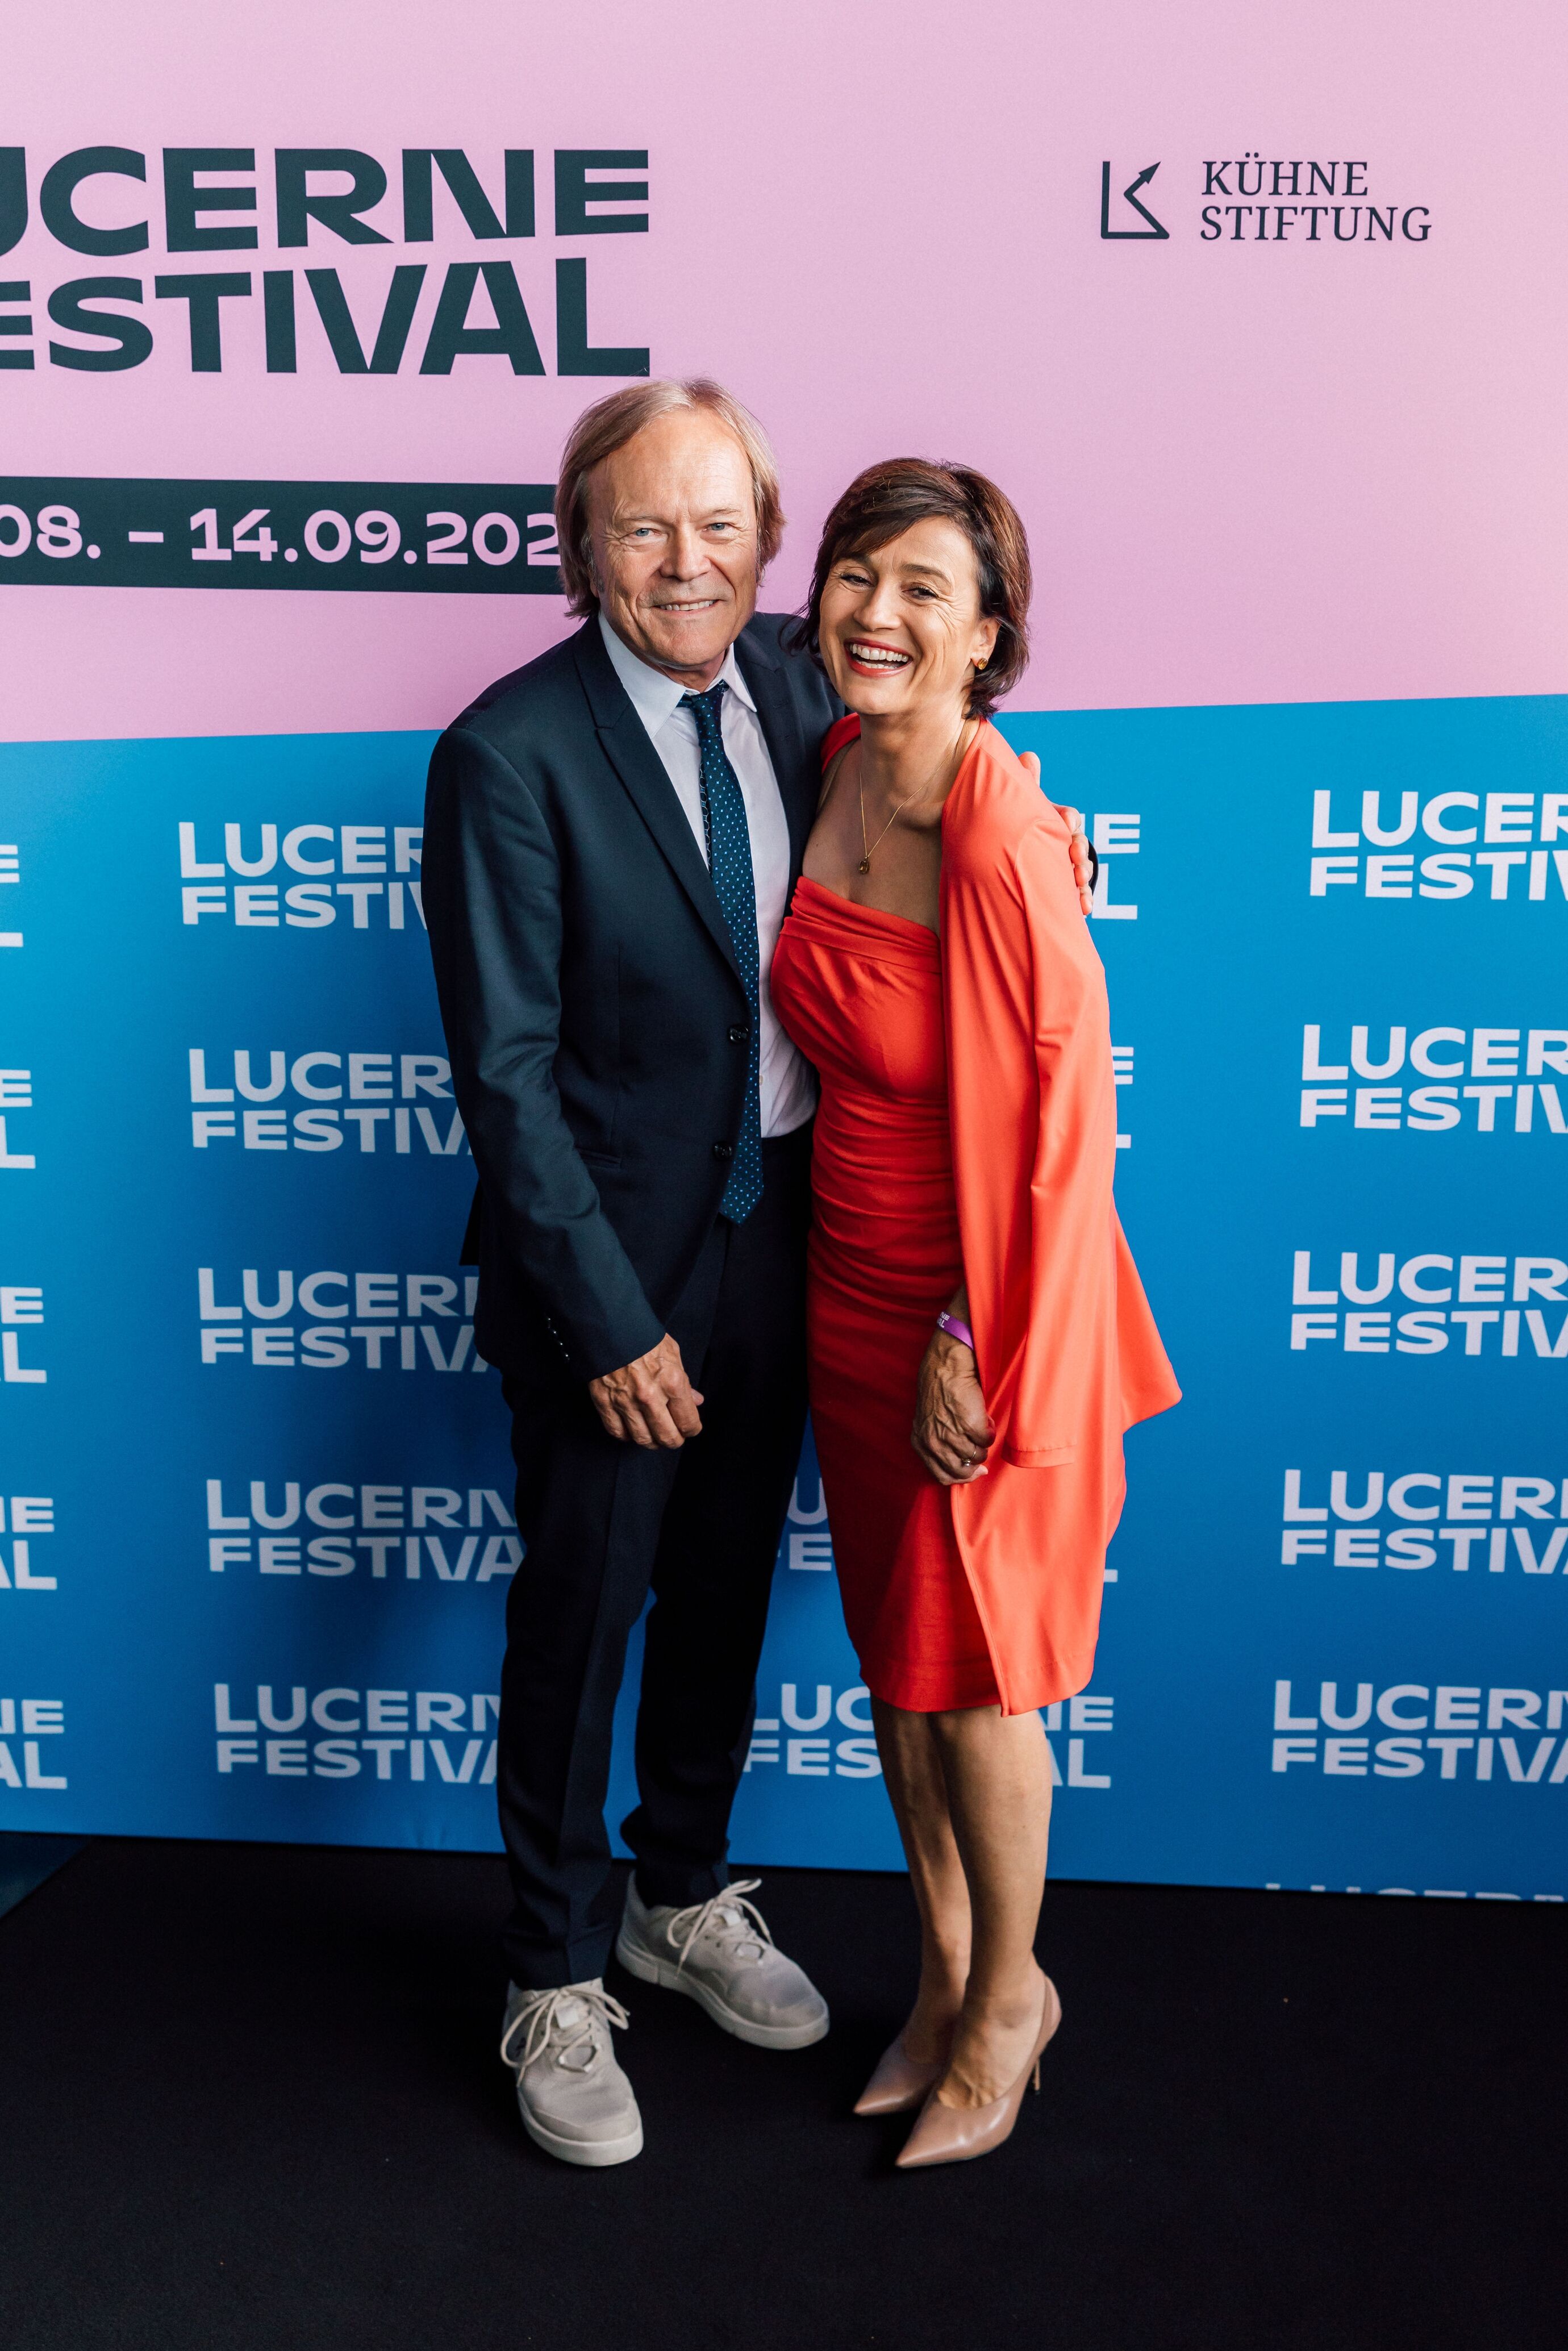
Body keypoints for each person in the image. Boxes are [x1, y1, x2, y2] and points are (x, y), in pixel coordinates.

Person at [422, 383, 1095, 2170]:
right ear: (580, 545)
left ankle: (684, 1889)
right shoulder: (508, 751)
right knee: (583, 1619)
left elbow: (965, 792)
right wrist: (607, 1314)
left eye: (724, 526)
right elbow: (504, 1070)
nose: (688, 563)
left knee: (723, 1592)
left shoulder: (812, 692)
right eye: (645, 528)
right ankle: (555, 1970)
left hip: (802, 1249)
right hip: (614, 1285)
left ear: (770, 546)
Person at [770, 458, 1178, 2170]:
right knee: (902, 1673)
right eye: (861, 573)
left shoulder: (1011, 839)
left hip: (977, 1311)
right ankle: (940, 1974)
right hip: (841, 1285)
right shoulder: (838, 758)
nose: (879, 610)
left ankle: (1015, 1999)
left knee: (985, 1686)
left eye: (926, 588)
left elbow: (1071, 1129)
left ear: (989, 633)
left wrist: (967, 1334)